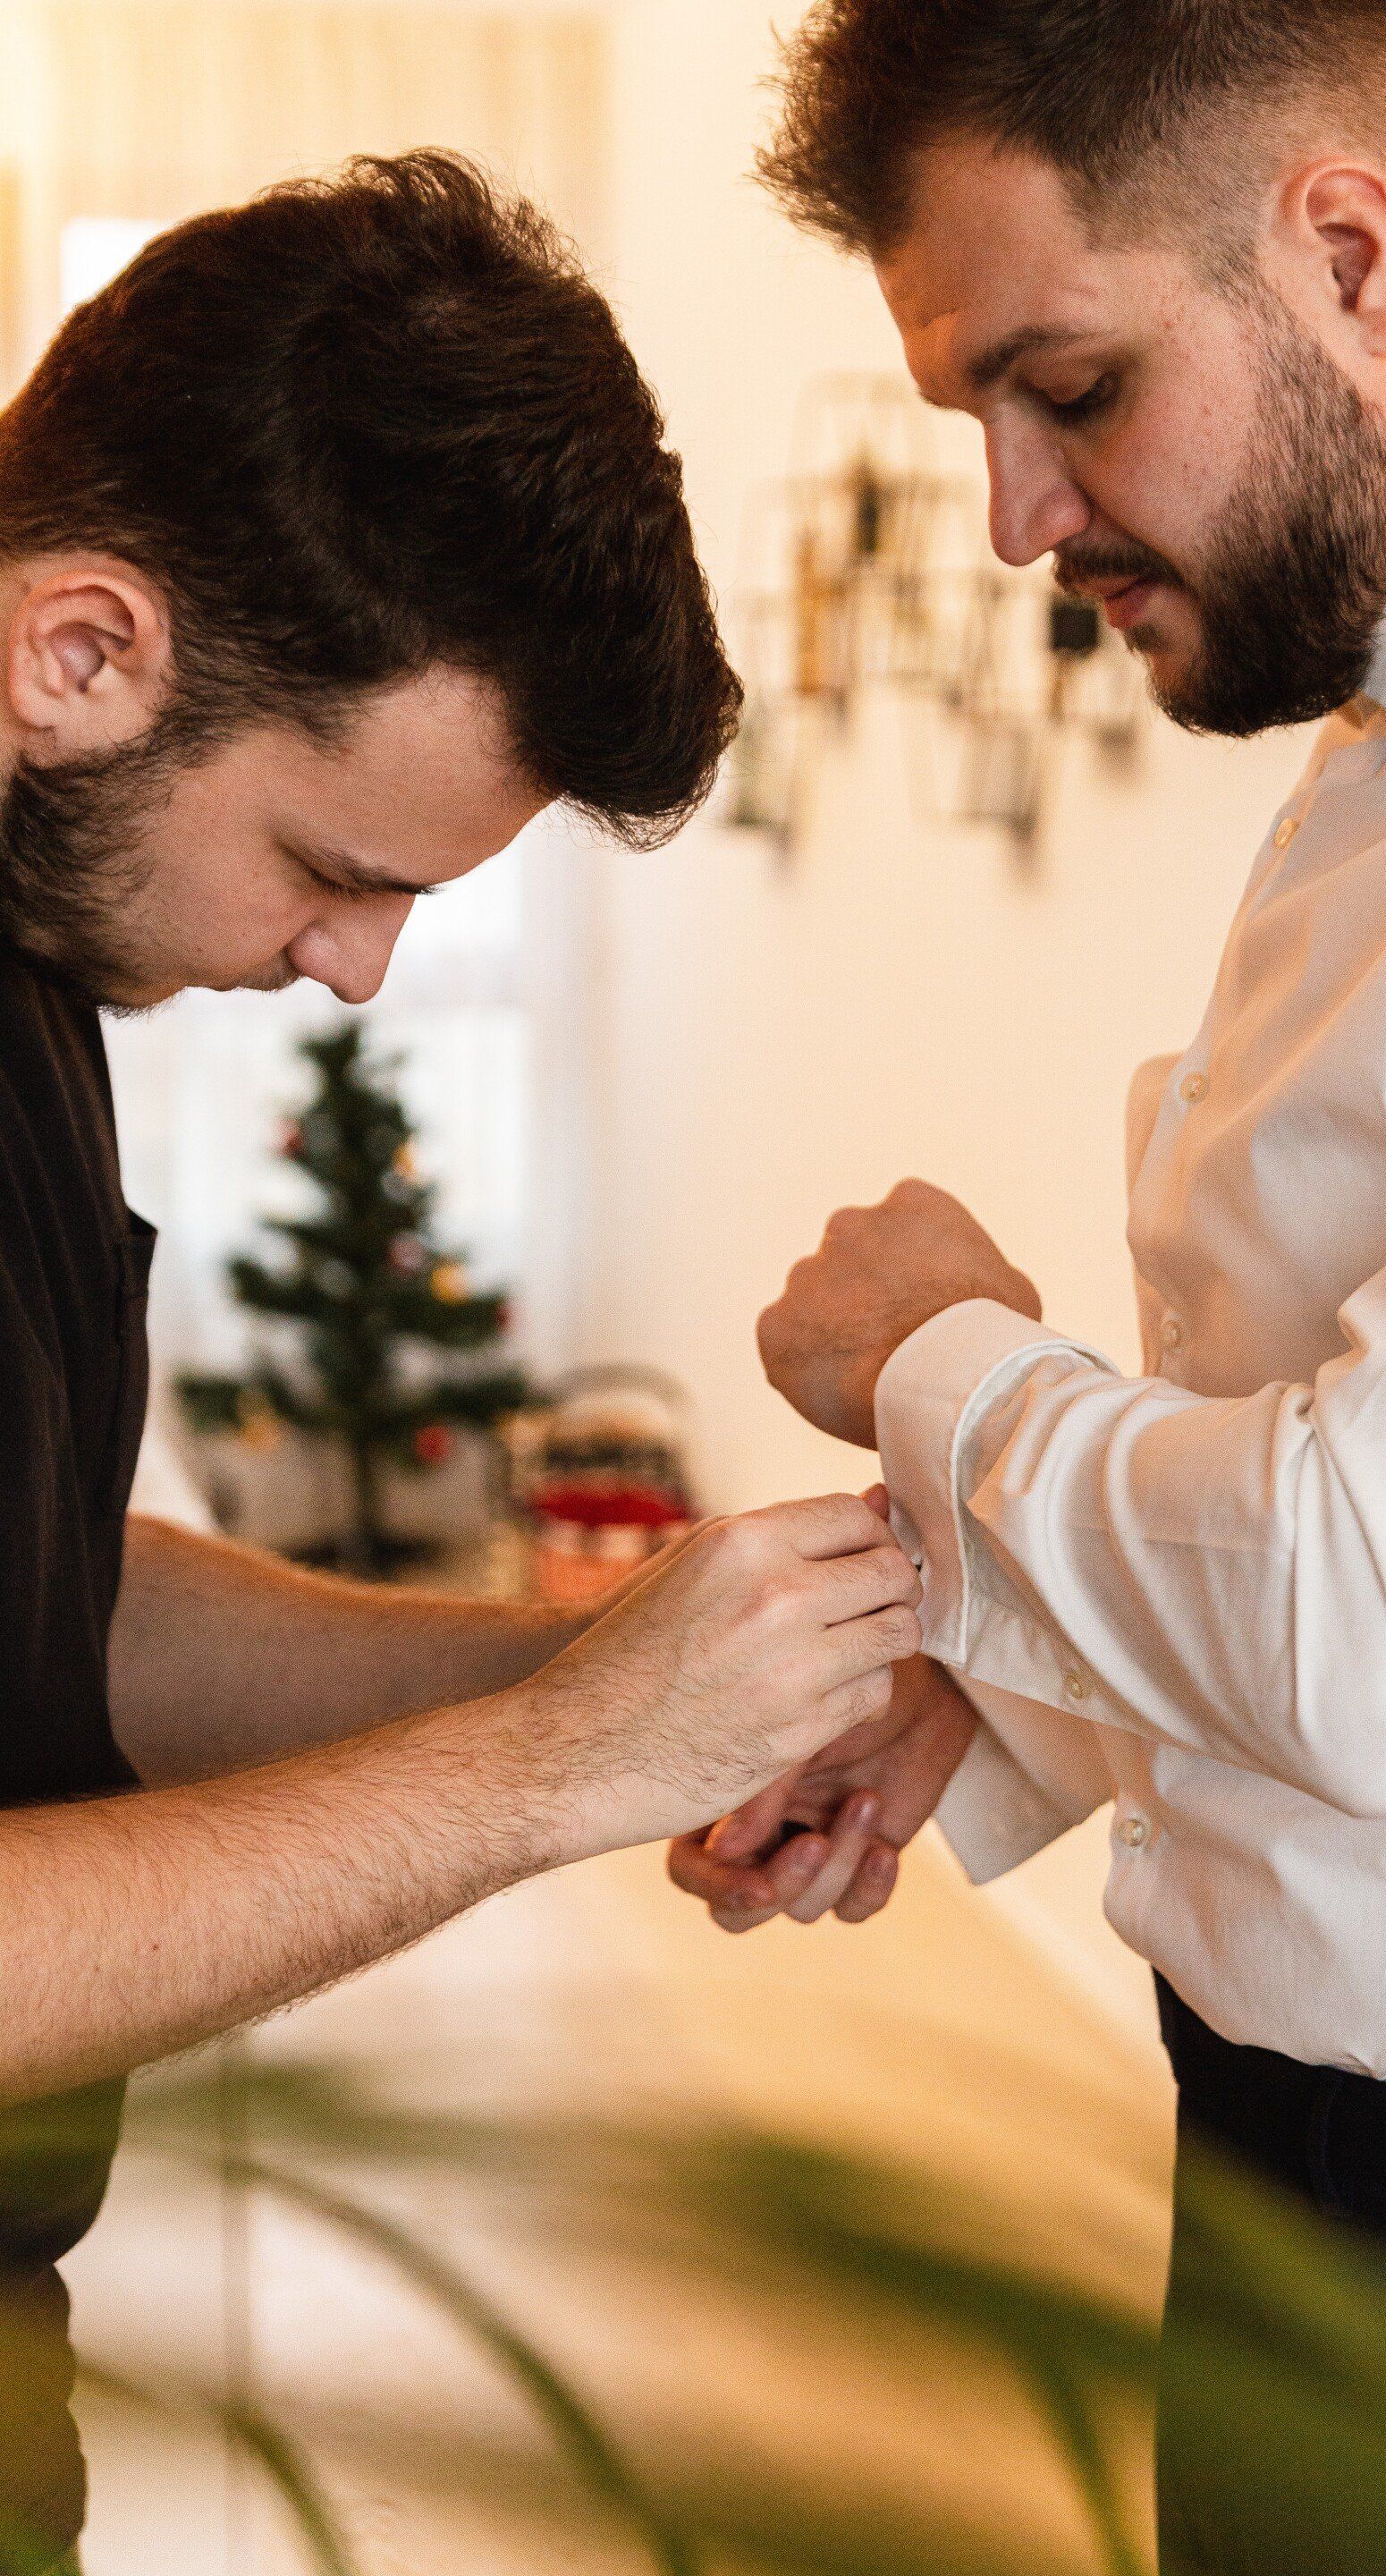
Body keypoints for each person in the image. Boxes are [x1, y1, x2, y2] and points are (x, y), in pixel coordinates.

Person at [670, 0, 1386, 2501]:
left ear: (1345, 248)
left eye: (1073, 387)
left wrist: (942, 1365)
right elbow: (1372, 1439)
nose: (1019, 521)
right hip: (1288, 2156)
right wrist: (999, 1694)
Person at [0, 149, 931, 2572]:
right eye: (333, 868)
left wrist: (601, 1666)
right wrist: (542, 1771)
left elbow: (49, 1597)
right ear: (81, 652)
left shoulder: (38, 939)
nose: (351, 973)